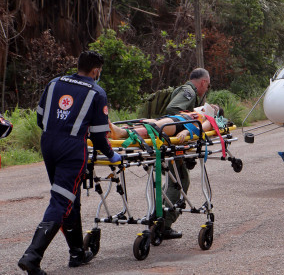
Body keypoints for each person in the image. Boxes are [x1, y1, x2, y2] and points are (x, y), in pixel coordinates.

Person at [18, 51, 121, 274]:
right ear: (96, 70)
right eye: (99, 71)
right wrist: (112, 155)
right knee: (61, 200)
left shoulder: (54, 83)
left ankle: (77, 253)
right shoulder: (96, 92)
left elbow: (39, 118)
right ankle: (32, 257)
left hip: (48, 143)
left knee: (67, 197)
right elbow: (99, 136)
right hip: (72, 149)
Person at [163, 68, 211, 240]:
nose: (206, 90)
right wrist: (190, 120)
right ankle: (164, 224)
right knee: (180, 181)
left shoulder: (184, 90)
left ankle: (159, 217)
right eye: (207, 86)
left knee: (174, 180)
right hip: (171, 140)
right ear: (203, 82)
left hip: (170, 140)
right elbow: (173, 108)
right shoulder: (189, 92)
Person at [109, 104, 224, 142]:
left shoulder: (210, 119)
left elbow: (200, 129)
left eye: (215, 107)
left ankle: (122, 133)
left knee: (152, 128)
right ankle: (116, 131)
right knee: (147, 121)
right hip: (175, 120)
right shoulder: (196, 112)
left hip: (180, 125)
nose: (212, 106)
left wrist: (185, 132)